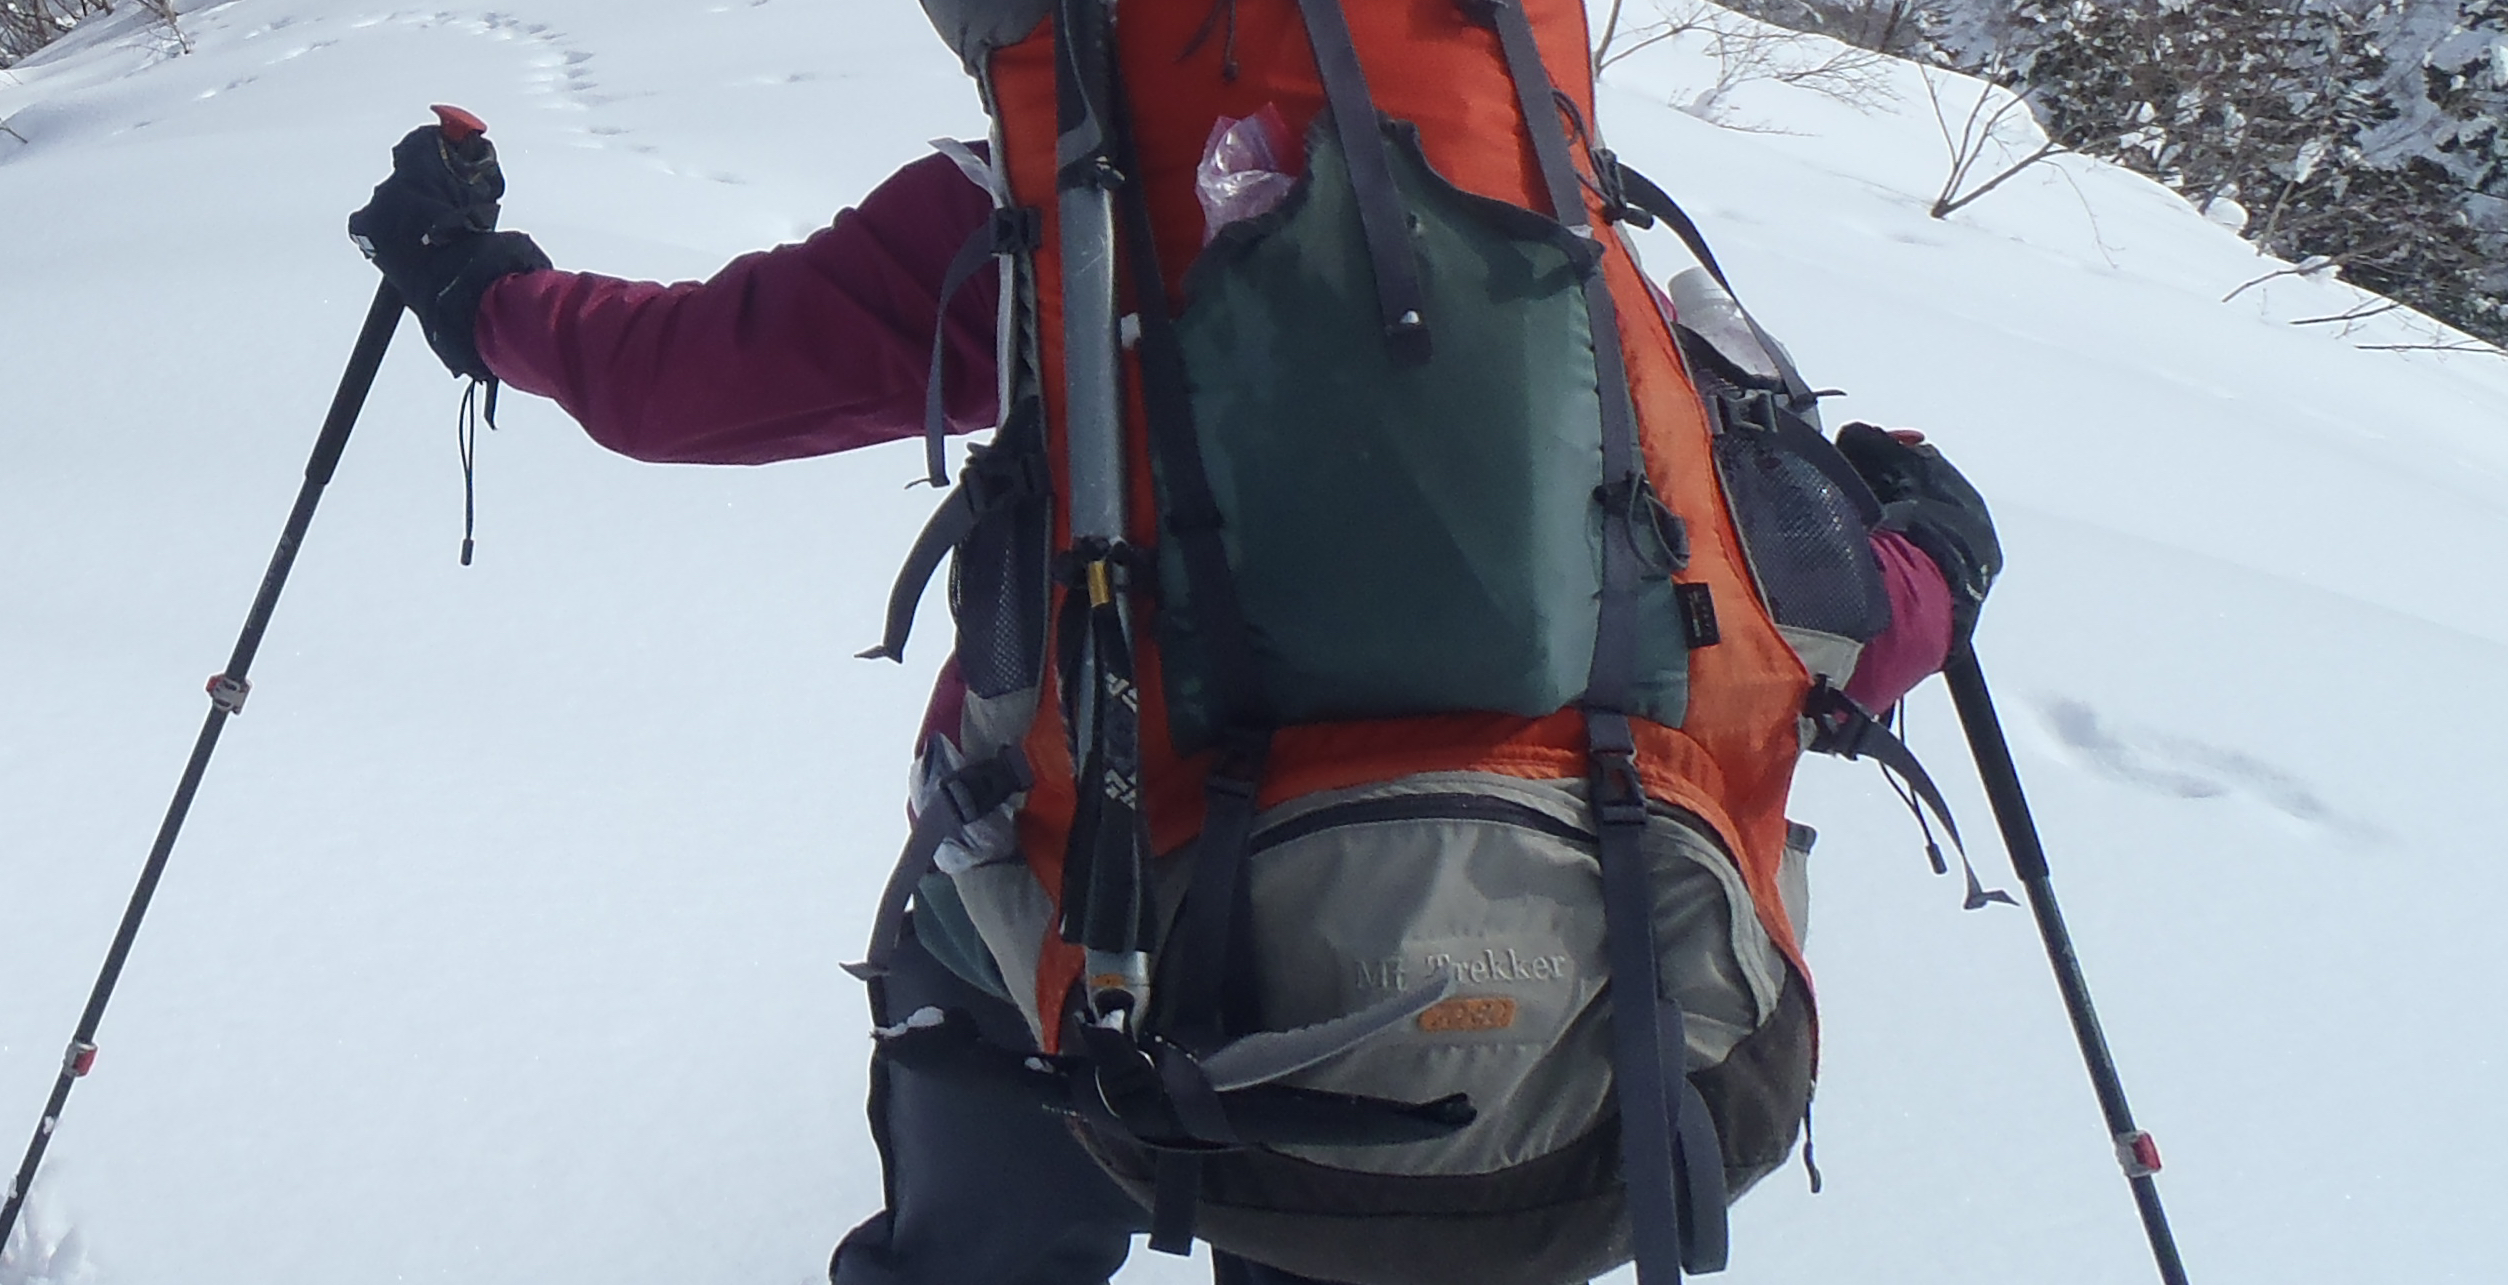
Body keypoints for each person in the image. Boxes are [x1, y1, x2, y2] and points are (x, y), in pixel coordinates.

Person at [348, 118, 1997, 1285]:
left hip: (1057, 907)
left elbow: (685, 378)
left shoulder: (1033, 196)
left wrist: (475, 287)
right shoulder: (1570, 222)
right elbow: (1819, 606)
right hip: (1508, 976)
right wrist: (1934, 547)